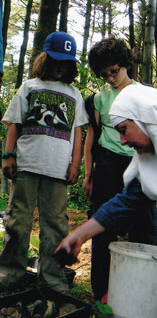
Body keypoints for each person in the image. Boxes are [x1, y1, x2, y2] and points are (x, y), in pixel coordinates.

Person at [56, 82, 157, 294]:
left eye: (124, 130)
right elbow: (122, 205)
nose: (122, 141)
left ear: (144, 118)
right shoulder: (152, 165)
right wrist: (76, 237)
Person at [0, 31, 88, 294]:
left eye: (67, 62)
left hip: (58, 170)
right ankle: (9, 274)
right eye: (56, 60)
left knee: (56, 225)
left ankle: (52, 279)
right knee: (17, 221)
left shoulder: (74, 94)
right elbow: (15, 123)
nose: (61, 66)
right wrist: (8, 154)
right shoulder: (29, 87)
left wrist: (75, 164)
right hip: (26, 165)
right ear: (45, 59)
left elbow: (78, 133)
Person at [82, 37, 157, 300]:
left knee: (144, 227)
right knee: (103, 228)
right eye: (104, 75)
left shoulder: (144, 93)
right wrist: (88, 174)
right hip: (107, 163)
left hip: (139, 162)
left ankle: (146, 290)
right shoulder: (97, 99)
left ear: (125, 64)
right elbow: (91, 136)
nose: (111, 78)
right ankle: (102, 291)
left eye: (114, 71)